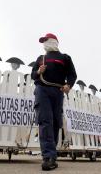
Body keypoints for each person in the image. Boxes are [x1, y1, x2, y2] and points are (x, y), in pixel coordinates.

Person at [31, 33, 77, 171]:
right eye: (43, 42)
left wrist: (68, 85)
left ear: (53, 41)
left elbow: (72, 74)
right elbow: (33, 75)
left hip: (58, 92)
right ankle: (48, 157)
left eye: (45, 40)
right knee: (45, 121)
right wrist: (39, 71)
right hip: (42, 90)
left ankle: (52, 154)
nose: (44, 44)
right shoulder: (41, 58)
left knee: (56, 123)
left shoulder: (65, 58)